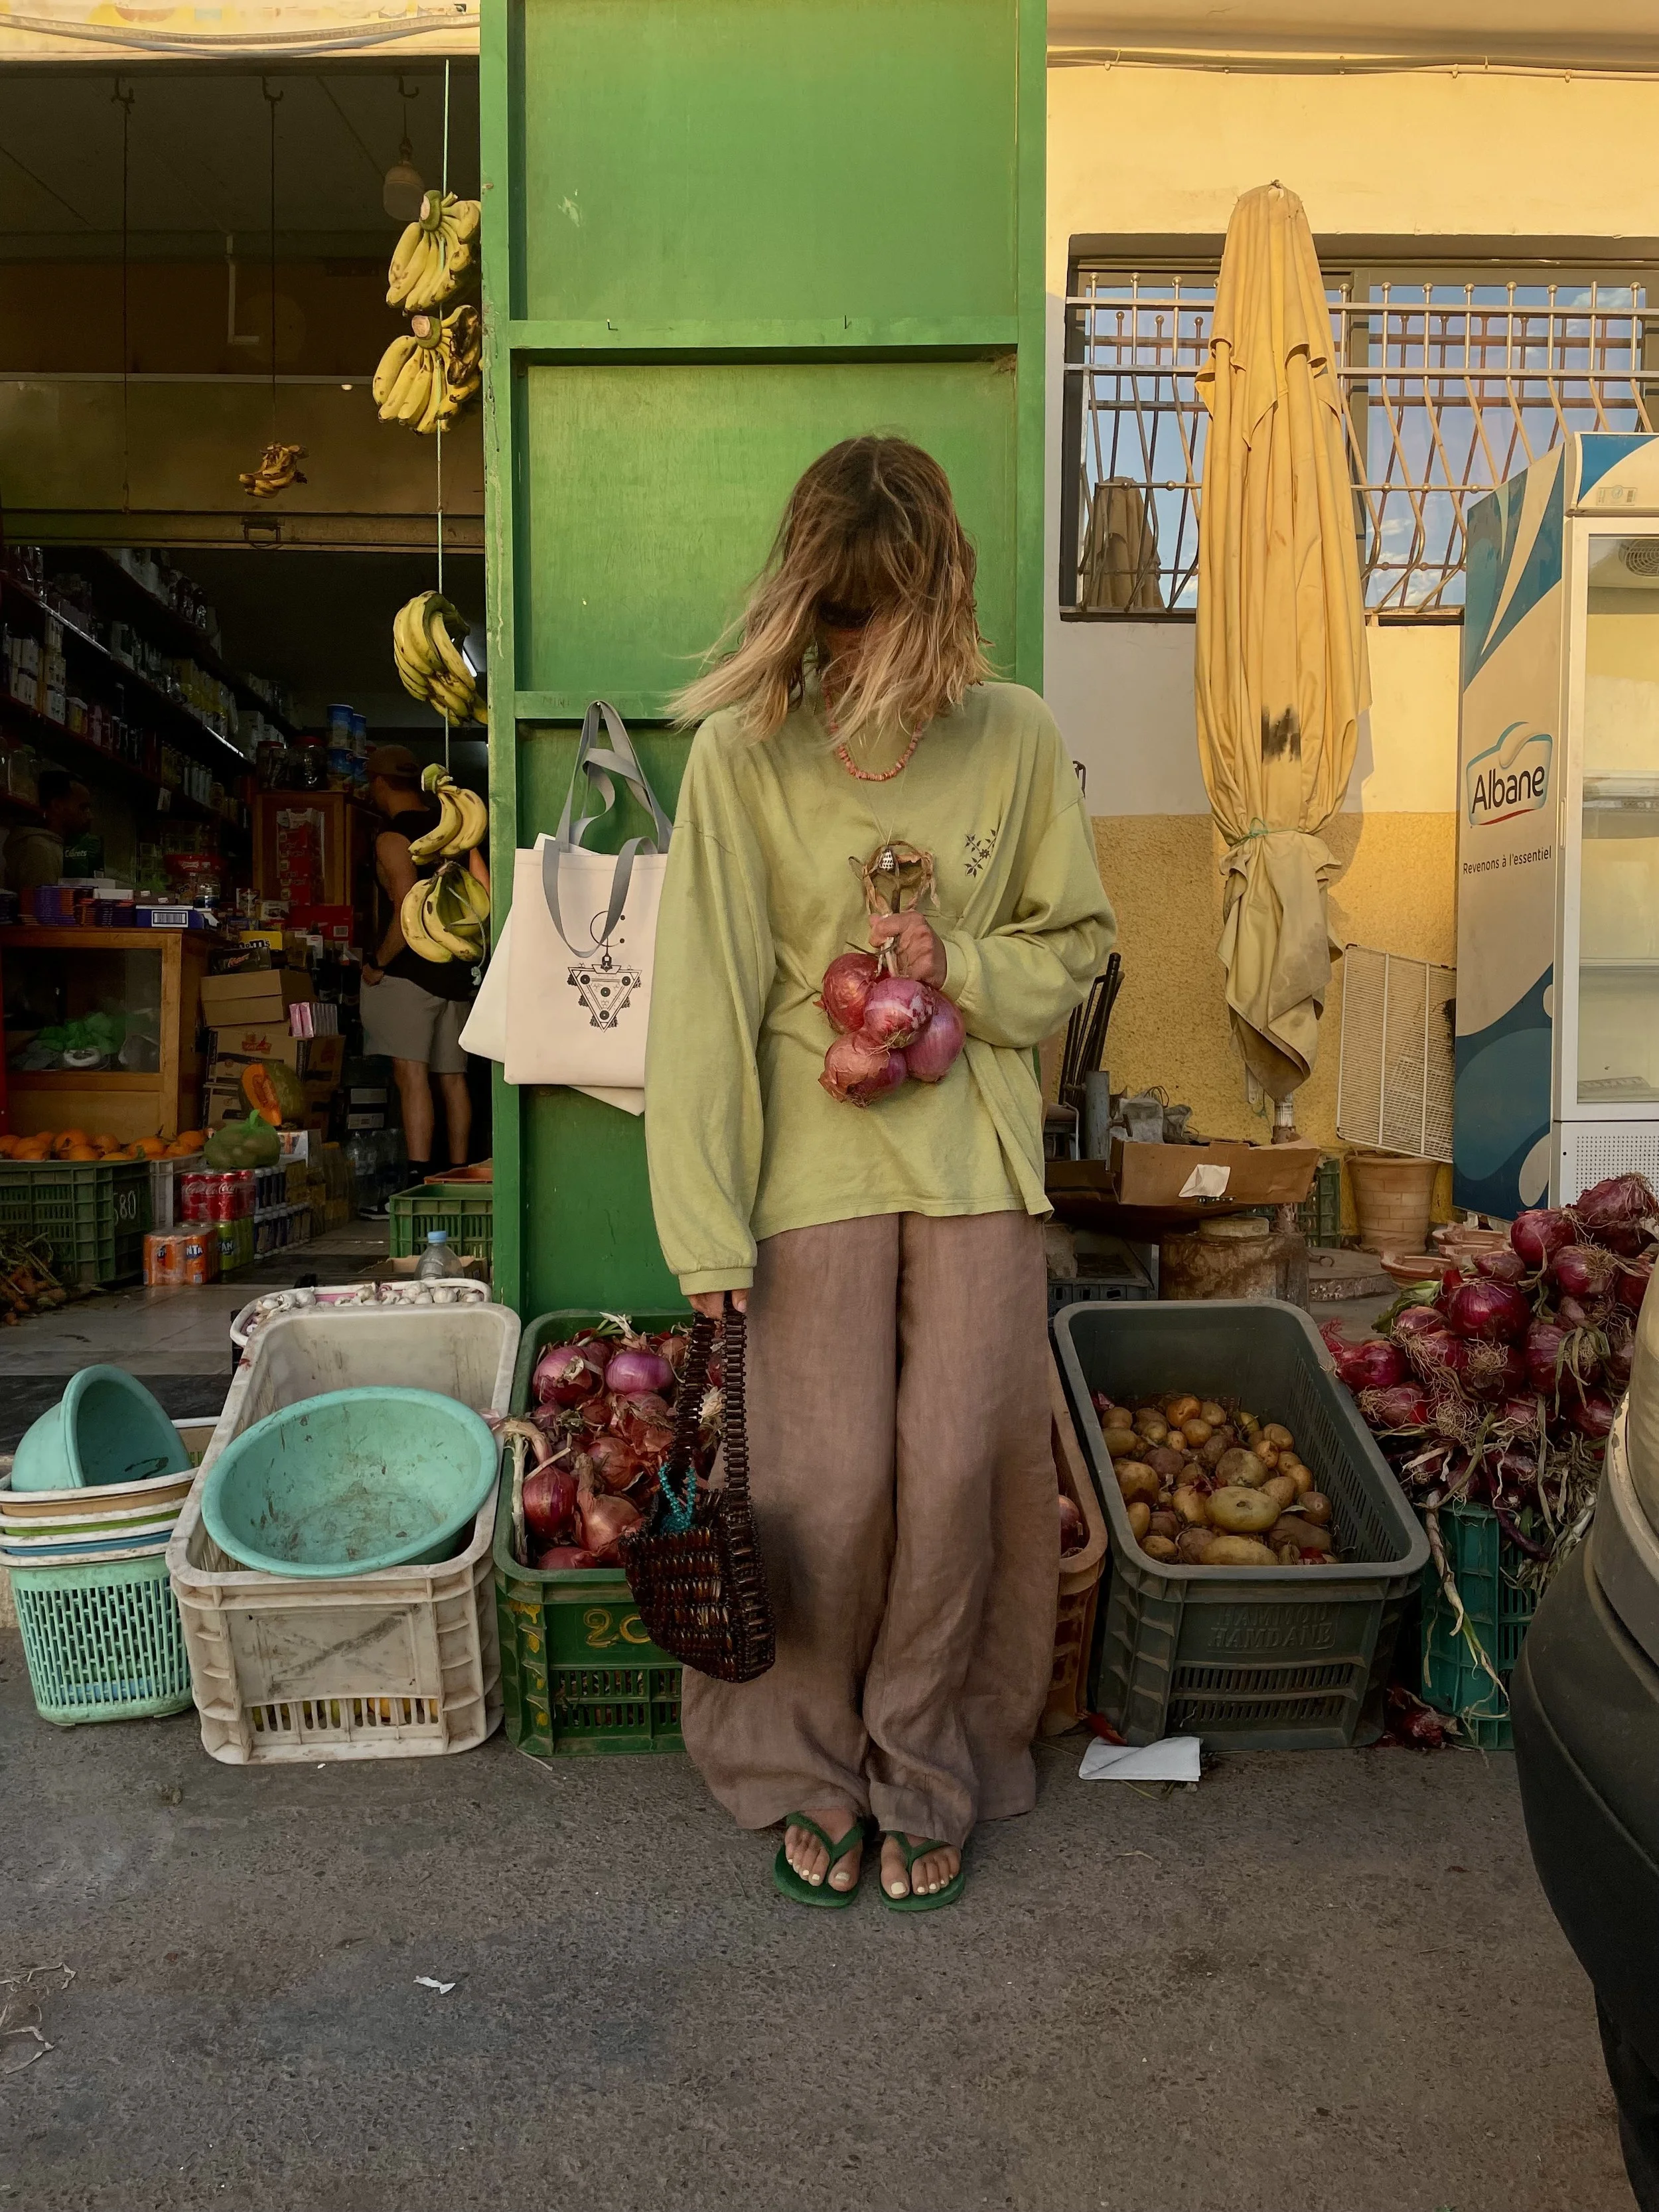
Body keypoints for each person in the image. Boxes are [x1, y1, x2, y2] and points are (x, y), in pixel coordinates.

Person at [644, 436, 1115, 1910]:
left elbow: (1077, 944)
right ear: (798, 600)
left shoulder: (1016, 734)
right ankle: (794, 1758)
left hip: (970, 1158)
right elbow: (705, 995)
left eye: (873, 613)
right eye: (829, 613)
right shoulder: (740, 753)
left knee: (961, 1470)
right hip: (807, 1168)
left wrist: (959, 964)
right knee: (826, 1483)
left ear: (937, 595)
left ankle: (926, 1756)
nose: (847, 647)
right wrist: (701, 1221)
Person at [360, 743, 478, 1183]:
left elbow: (406, 904)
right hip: (454, 971)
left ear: (378, 785)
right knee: (453, 1077)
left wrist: (377, 962)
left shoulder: (394, 837)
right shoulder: (455, 833)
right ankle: (460, 1174)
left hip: (409, 972)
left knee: (412, 1076)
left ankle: (418, 1176)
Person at [7, 769, 92, 909]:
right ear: (57, 806)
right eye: (83, 808)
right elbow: (42, 914)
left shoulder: (55, 846)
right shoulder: (38, 848)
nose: (90, 816)